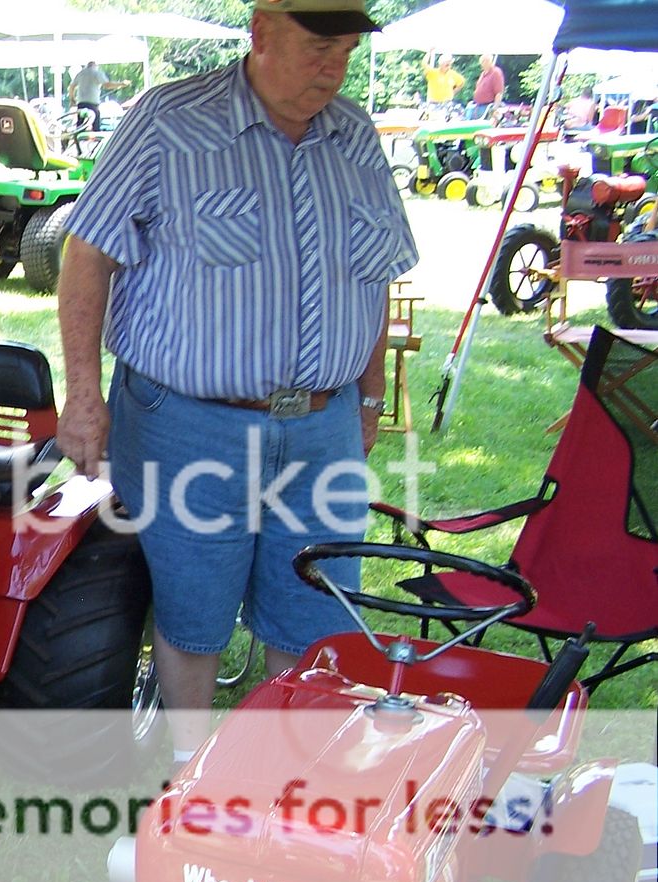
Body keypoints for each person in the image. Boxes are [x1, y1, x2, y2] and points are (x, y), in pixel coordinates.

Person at [56, 0, 417, 763]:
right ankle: (190, 774)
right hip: (190, 420)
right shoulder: (168, 122)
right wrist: (82, 396)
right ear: (261, 30)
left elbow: (375, 275)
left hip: (321, 424)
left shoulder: (353, 136)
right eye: (319, 45)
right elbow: (86, 255)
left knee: (312, 610)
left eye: (346, 50)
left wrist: (371, 394)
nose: (333, 67)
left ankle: (279, 775)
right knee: (194, 611)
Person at [72, 60, 116, 129]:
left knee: (80, 125)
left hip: (81, 103)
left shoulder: (80, 73)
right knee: (96, 125)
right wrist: (121, 84)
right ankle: (96, 137)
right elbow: (107, 85)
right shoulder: (97, 73)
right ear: (95, 66)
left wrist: (72, 98)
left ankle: (77, 138)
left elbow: (72, 87)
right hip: (93, 104)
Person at [469, 54, 504, 119]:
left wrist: (495, 108)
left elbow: (499, 92)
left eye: (485, 61)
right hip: (477, 106)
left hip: (487, 106)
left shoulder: (496, 72)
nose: (482, 64)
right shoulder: (483, 73)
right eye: (482, 62)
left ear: (490, 61)